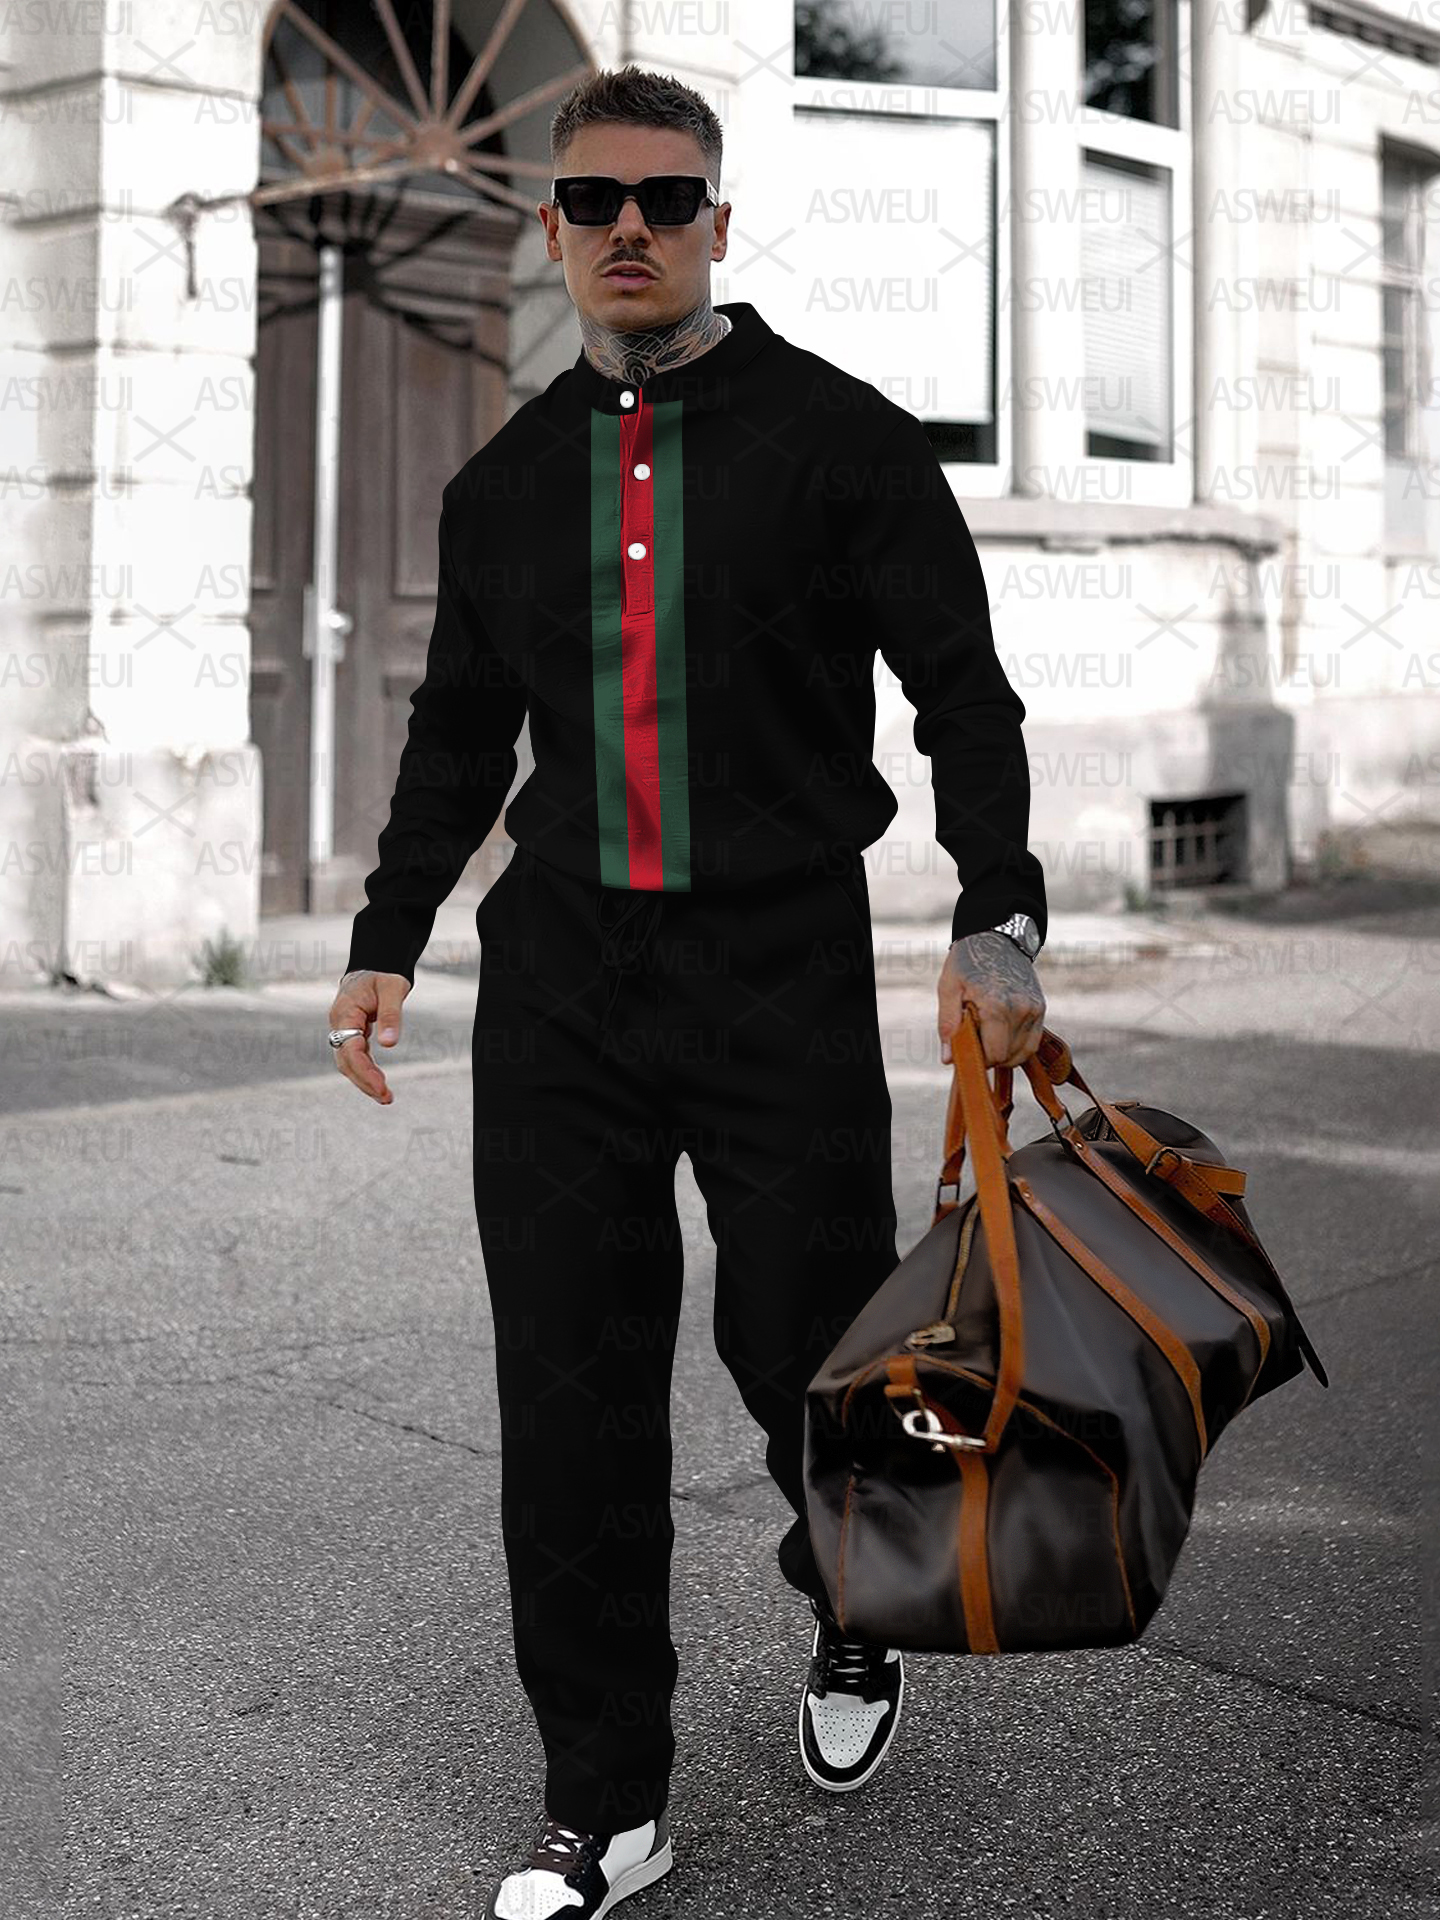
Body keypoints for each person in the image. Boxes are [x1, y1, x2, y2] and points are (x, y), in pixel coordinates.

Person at [328, 63, 1047, 1920]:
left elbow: (963, 693)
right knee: (571, 1389)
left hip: (777, 961)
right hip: (563, 985)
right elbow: (456, 736)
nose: (629, 227)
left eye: (665, 197)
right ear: (553, 228)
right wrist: (388, 937)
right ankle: (605, 1799)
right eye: (594, 201)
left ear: (719, 221)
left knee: (807, 1344)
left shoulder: (846, 442)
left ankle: (855, 1597)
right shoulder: (500, 488)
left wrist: (998, 914)